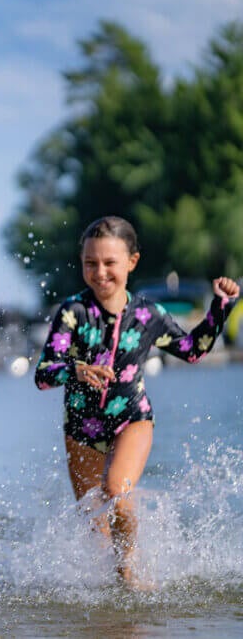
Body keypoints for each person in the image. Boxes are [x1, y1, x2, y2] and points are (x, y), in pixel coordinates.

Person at [34, 215, 239, 589]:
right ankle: (110, 600)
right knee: (95, 525)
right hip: (81, 429)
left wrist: (220, 307)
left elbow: (193, 351)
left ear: (132, 261)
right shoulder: (73, 313)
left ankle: (130, 574)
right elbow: (43, 374)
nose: (100, 273)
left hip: (133, 419)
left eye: (110, 263)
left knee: (115, 491)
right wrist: (76, 369)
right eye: (90, 263)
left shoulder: (148, 315)